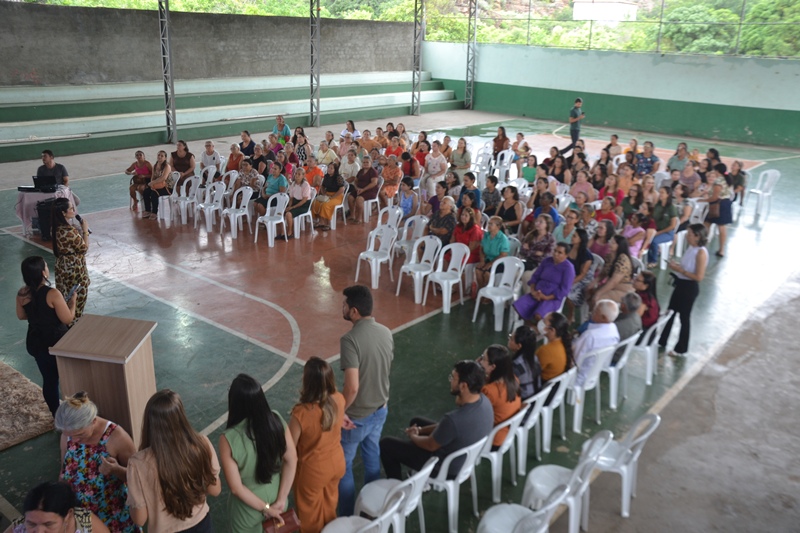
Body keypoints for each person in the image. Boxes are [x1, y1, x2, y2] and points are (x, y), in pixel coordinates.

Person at [379, 360, 493, 480]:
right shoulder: (484, 402)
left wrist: (413, 436)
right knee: (416, 421)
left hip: (445, 469)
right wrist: (420, 430)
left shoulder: (454, 419)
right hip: (464, 461)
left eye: (453, 378)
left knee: (386, 445)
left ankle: (396, 483)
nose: (450, 381)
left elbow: (430, 445)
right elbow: (447, 428)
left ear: (463, 386)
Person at [127, 390, 221, 532]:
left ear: (150, 422)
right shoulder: (202, 444)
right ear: (181, 417)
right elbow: (215, 490)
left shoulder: (137, 463)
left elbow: (140, 519)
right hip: (202, 526)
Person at [338, 285, 394, 516]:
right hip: (381, 408)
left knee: (344, 466)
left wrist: (339, 411)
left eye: (344, 304)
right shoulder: (386, 332)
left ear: (354, 311)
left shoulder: (350, 340)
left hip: (357, 417)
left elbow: (352, 387)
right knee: (372, 456)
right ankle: (372, 508)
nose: (342, 307)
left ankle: (347, 515)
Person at [220, 374, 296, 533]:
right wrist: (281, 499)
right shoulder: (276, 421)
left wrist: (266, 509)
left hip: (246, 515)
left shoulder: (228, 439)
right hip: (278, 506)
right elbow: (292, 459)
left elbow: (236, 488)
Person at [55, 392, 139, 532]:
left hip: (113, 515)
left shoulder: (117, 438)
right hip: (80, 517)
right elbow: (64, 470)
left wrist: (116, 470)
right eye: (70, 435)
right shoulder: (68, 434)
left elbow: (138, 479)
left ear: (93, 421)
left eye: (80, 435)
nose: (74, 440)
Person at [290, 358, 346, 533]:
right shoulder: (339, 399)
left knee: (310, 520)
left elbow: (289, 448)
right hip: (337, 463)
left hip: (313, 472)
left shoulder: (301, 413)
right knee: (330, 507)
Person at [15, 256, 75, 415]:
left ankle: (56, 414)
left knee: (49, 380)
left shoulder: (22, 294)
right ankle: (75, 414)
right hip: (57, 343)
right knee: (70, 378)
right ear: (43, 272)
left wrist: (38, 315)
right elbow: (67, 319)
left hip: (36, 343)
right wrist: (73, 303)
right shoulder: (53, 293)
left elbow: (21, 315)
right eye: (46, 266)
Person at [659, 224, 708, 356]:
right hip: (681, 284)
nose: (687, 236)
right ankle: (662, 340)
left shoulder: (701, 253)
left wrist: (680, 270)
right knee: (670, 312)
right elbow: (688, 267)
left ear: (697, 236)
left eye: (690, 234)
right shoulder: (691, 248)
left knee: (684, 318)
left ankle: (681, 348)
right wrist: (677, 266)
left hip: (689, 288)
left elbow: (699, 277)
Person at [5, 481, 109, 533]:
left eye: (48, 524)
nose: (39, 531)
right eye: (31, 524)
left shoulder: (87, 524)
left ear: (68, 515)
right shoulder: (20, 527)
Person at [513, 242, 575, 323]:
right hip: (537, 293)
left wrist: (546, 297)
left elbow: (564, 290)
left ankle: (538, 328)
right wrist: (533, 291)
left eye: (560, 252)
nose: (555, 254)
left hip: (552, 298)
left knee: (538, 315)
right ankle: (530, 325)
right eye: (555, 251)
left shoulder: (568, 268)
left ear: (566, 255)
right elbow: (535, 277)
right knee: (518, 305)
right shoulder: (547, 261)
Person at [51, 198, 90, 319]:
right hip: (74, 269)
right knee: (76, 300)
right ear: (63, 213)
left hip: (62, 266)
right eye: (71, 209)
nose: (74, 211)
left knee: (64, 295)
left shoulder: (56, 228)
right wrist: (85, 231)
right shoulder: (69, 231)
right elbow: (84, 248)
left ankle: (66, 319)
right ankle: (73, 322)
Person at [478, 345, 522, 449]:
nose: (479, 361)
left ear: (493, 367)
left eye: (483, 359)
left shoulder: (489, 391)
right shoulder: (514, 380)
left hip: (492, 438)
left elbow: (475, 414)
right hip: (507, 433)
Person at [573, 300, 620, 386]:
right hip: (594, 373)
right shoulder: (614, 330)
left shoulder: (590, 336)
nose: (592, 312)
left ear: (603, 317)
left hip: (578, 376)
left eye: (596, 311)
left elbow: (575, 360)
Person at [587, 235, 634, 306]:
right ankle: (589, 312)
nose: (610, 244)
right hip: (610, 285)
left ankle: (596, 312)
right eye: (610, 242)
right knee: (588, 291)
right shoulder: (609, 256)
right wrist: (593, 283)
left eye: (613, 243)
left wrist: (598, 293)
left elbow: (614, 281)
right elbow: (603, 273)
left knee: (599, 299)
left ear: (620, 246)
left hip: (622, 288)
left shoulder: (623, 259)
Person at [536, 312, 575, 384]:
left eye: (544, 322)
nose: (541, 323)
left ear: (552, 330)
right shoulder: (565, 344)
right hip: (554, 385)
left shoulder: (546, 350)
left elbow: (531, 372)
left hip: (541, 384)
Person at [564, 229, 594, 321]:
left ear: (580, 239)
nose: (572, 237)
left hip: (582, 278)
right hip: (568, 274)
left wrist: (569, 282)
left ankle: (571, 313)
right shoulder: (568, 248)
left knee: (568, 292)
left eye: (574, 236)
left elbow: (582, 274)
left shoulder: (586, 255)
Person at [703, 169, 733, 258]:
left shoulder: (718, 182)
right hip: (725, 204)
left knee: (707, 224)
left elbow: (714, 197)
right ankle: (721, 249)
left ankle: (703, 245)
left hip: (718, 205)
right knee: (720, 227)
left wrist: (703, 200)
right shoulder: (725, 179)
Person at [475, 216, 510, 290]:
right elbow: (481, 249)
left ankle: (488, 292)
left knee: (487, 274)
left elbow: (503, 255)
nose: (489, 226)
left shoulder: (503, 238)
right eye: (488, 223)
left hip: (500, 263)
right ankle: (481, 290)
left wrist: (491, 263)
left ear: (498, 226)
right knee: (478, 271)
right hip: (488, 259)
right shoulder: (486, 235)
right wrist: (482, 261)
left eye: (491, 224)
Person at [647, 186, 679, 266]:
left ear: (668, 194)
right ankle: (647, 258)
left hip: (667, 232)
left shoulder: (671, 208)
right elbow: (653, 218)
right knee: (647, 238)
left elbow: (672, 226)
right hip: (656, 229)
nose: (660, 194)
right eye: (659, 192)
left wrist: (659, 233)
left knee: (654, 241)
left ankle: (653, 261)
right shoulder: (657, 205)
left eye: (662, 193)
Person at [508, 326, 542, 399]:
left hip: (523, 399)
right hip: (536, 397)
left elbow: (507, 386)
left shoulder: (516, 365)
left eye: (511, 338)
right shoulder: (534, 358)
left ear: (519, 346)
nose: (509, 339)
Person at [312, 163, 345, 230]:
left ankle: (328, 223)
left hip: (337, 196)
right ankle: (321, 221)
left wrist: (333, 196)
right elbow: (322, 186)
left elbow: (342, 189)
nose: (329, 169)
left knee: (325, 205)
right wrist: (324, 193)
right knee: (316, 202)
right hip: (328, 195)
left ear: (335, 170)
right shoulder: (326, 176)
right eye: (328, 167)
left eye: (331, 168)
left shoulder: (338, 177)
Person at [613, 292, 643, 364]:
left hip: (613, 356)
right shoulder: (637, 317)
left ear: (623, 305)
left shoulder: (619, 326)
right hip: (622, 353)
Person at [348, 156, 379, 223]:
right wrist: (357, 188)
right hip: (359, 189)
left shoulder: (373, 171)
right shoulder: (361, 171)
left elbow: (374, 183)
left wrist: (363, 189)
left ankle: (359, 218)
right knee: (350, 197)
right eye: (364, 162)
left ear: (371, 162)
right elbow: (355, 181)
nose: (365, 164)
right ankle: (352, 215)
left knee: (359, 199)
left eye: (367, 162)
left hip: (370, 191)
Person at [142, 150, 172, 219]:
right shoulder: (155, 166)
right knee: (146, 192)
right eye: (158, 155)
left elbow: (163, 178)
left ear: (165, 158)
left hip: (167, 187)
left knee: (154, 194)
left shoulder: (167, 166)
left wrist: (152, 183)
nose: (160, 157)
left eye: (162, 156)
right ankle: (148, 210)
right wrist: (152, 185)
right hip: (157, 185)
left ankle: (154, 212)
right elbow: (152, 177)